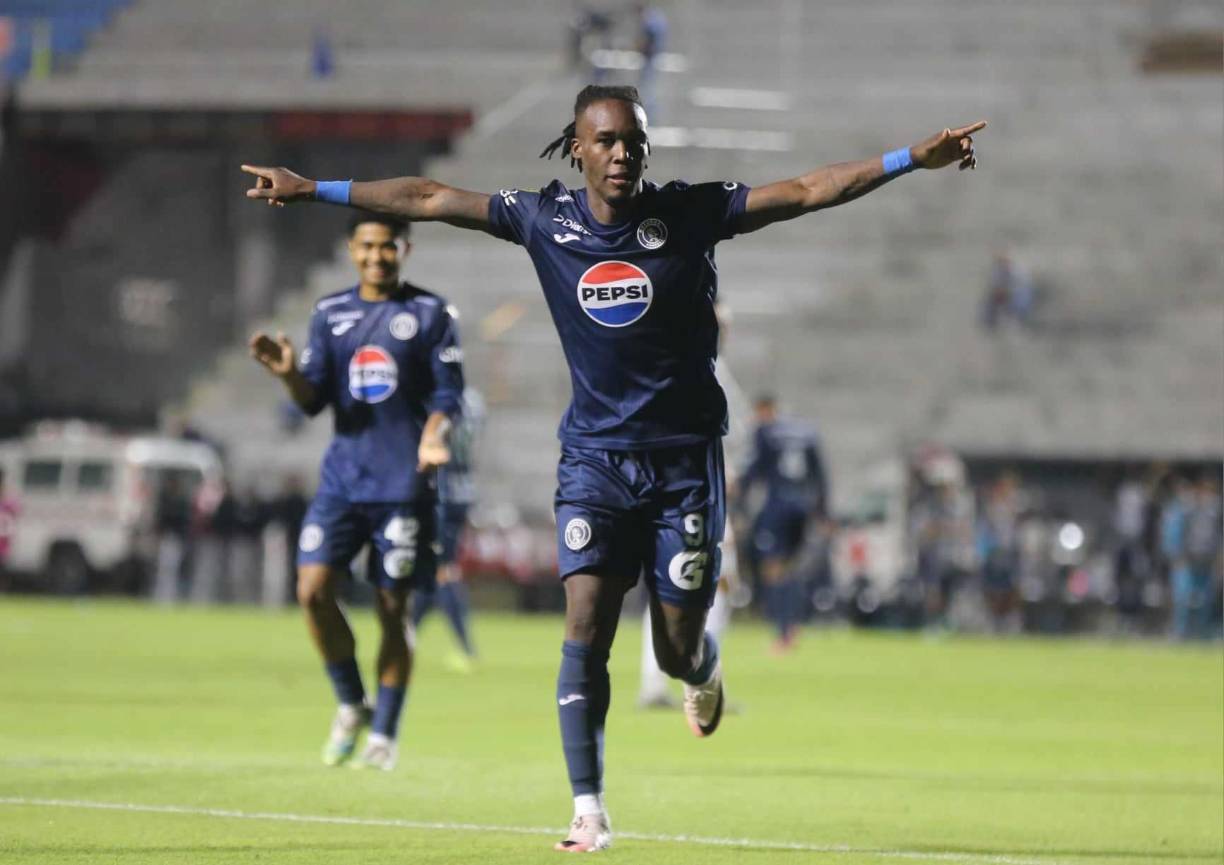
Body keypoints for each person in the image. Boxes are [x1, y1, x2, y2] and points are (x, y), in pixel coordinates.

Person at [241, 84, 984, 851]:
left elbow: (805, 190)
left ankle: (700, 668)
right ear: (579, 148)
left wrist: (910, 158)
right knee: (585, 625)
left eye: (633, 140)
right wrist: (313, 188)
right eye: (606, 140)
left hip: (684, 464)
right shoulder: (543, 220)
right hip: (594, 462)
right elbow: (427, 196)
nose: (622, 153)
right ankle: (588, 807)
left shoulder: (689, 213)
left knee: (674, 645)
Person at [249, 211, 464, 771]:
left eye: (387, 246)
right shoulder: (330, 313)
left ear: (405, 249)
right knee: (312, 591)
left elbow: (449, 397)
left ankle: (384, 734)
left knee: (394, 610)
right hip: (343, 483)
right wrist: (288, 375)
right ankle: (351, 702)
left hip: (405, 488)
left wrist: (434, 436)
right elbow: (313, 400)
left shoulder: (431, 313)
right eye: (367, 246)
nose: (376, 256)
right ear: (351, 249)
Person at [734, 395, 828, 652]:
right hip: (803, 506)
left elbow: (754, 468)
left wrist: (739, 500)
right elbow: (820, 475)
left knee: (772, 569)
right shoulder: (806, 432)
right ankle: (794, 626)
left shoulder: (766, 432)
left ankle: (782, 633)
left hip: (778, 506)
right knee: (791, 569)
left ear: (765, 410)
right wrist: (822, 512)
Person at [413, 387, 484, 670]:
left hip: (441, 491)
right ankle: (407, 635)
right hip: (464, 490)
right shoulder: (474, 401)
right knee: (434, 567)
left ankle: (466, 648)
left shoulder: (441, 399)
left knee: (442, 569)